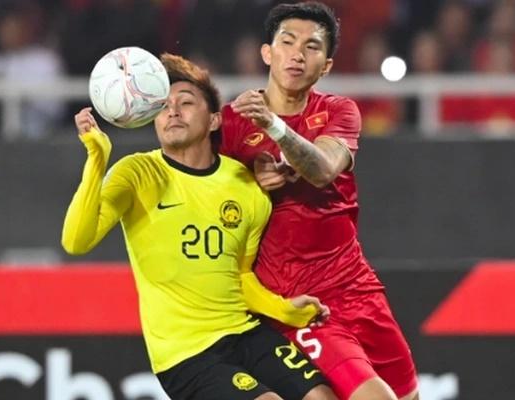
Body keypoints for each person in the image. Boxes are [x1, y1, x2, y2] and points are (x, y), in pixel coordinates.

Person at [62, 53, 337, 400]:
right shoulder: (137, 173)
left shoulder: (246, 186)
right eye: (163, 106)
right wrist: (97, 158)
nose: (173, 111)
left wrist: (282, 309)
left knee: (322, 396)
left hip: (245, 333)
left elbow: (239, 276)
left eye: (186, 102)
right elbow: (76, 240)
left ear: (214, 120)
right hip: (187, 355)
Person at [220, 3, 419, 400]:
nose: (297, 54)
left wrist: (274, 128)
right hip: (300, 302)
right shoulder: (230, 124)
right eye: (287, 42)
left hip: (357, 287)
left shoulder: (337, 111)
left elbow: (323, 168)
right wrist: (250, 183)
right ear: (267, 53)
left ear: (326, 66)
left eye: (311, 47)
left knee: (408, 395)